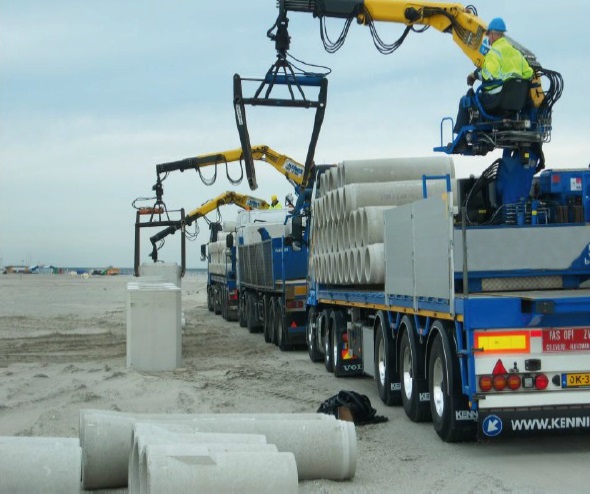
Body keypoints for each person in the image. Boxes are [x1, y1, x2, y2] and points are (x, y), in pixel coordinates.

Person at [453, 17, 534, 135]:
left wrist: (474, 75)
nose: (489, 39)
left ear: (491, 34)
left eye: (488, 36)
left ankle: (461, 136)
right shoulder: (516, 53)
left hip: (496, 100)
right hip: (516, 102)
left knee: (467, 99)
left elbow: (488, 75)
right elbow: (529, 74)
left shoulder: (494, 53)